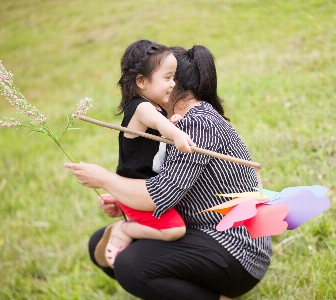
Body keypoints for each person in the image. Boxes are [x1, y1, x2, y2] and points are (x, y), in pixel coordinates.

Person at [65, 44, 272, 300]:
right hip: (200, 230)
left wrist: (107, 180)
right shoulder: (173, 123)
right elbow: (167, 185)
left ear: (176, 85)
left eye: (171, 78)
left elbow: (157, 195)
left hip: (236, 247)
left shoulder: (196, 123)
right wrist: (124, 200)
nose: (169, 83)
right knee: (101, 242)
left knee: (131, 264)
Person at [95, 40, 196, 268]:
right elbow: (157, 123)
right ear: (141, 81)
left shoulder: (155, 109)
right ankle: (123, 230)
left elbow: (160, 127)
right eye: (167, 78)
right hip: (135, 190)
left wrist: (173, 124)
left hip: (146, 189)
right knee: (175, 229)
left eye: (174, 77)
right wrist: (175, 133)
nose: (173, 84)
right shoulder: (139, 108)